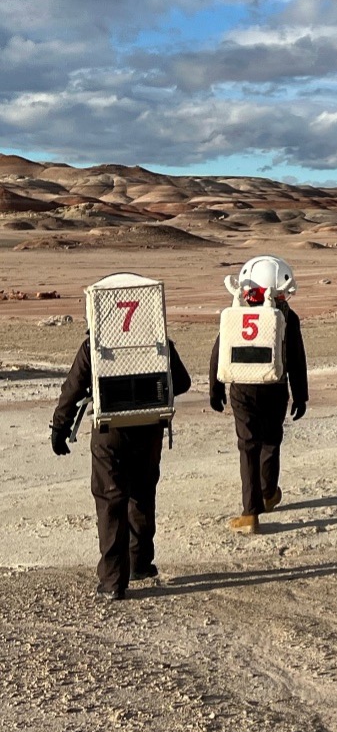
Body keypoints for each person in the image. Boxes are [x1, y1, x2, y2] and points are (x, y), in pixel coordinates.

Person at [50, 330, 191, 601]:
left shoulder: (94, 343)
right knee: (142, 493)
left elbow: (74, 386)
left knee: (110, 500)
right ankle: (139, 564)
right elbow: (183, 381)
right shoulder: (156, 339)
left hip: (109, 432)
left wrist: (60, 426)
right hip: (148, 427)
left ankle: (114, 581)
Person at [208, 255, 308, 535]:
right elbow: (296, 357)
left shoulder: (237, 312)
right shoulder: (287, 316)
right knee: (271, 441)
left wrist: (215, 389)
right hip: (275, 387)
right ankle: (267, 494)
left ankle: (250, 513)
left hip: (242, 388)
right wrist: (301, 395)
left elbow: (220, 351)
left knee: (248, 447)